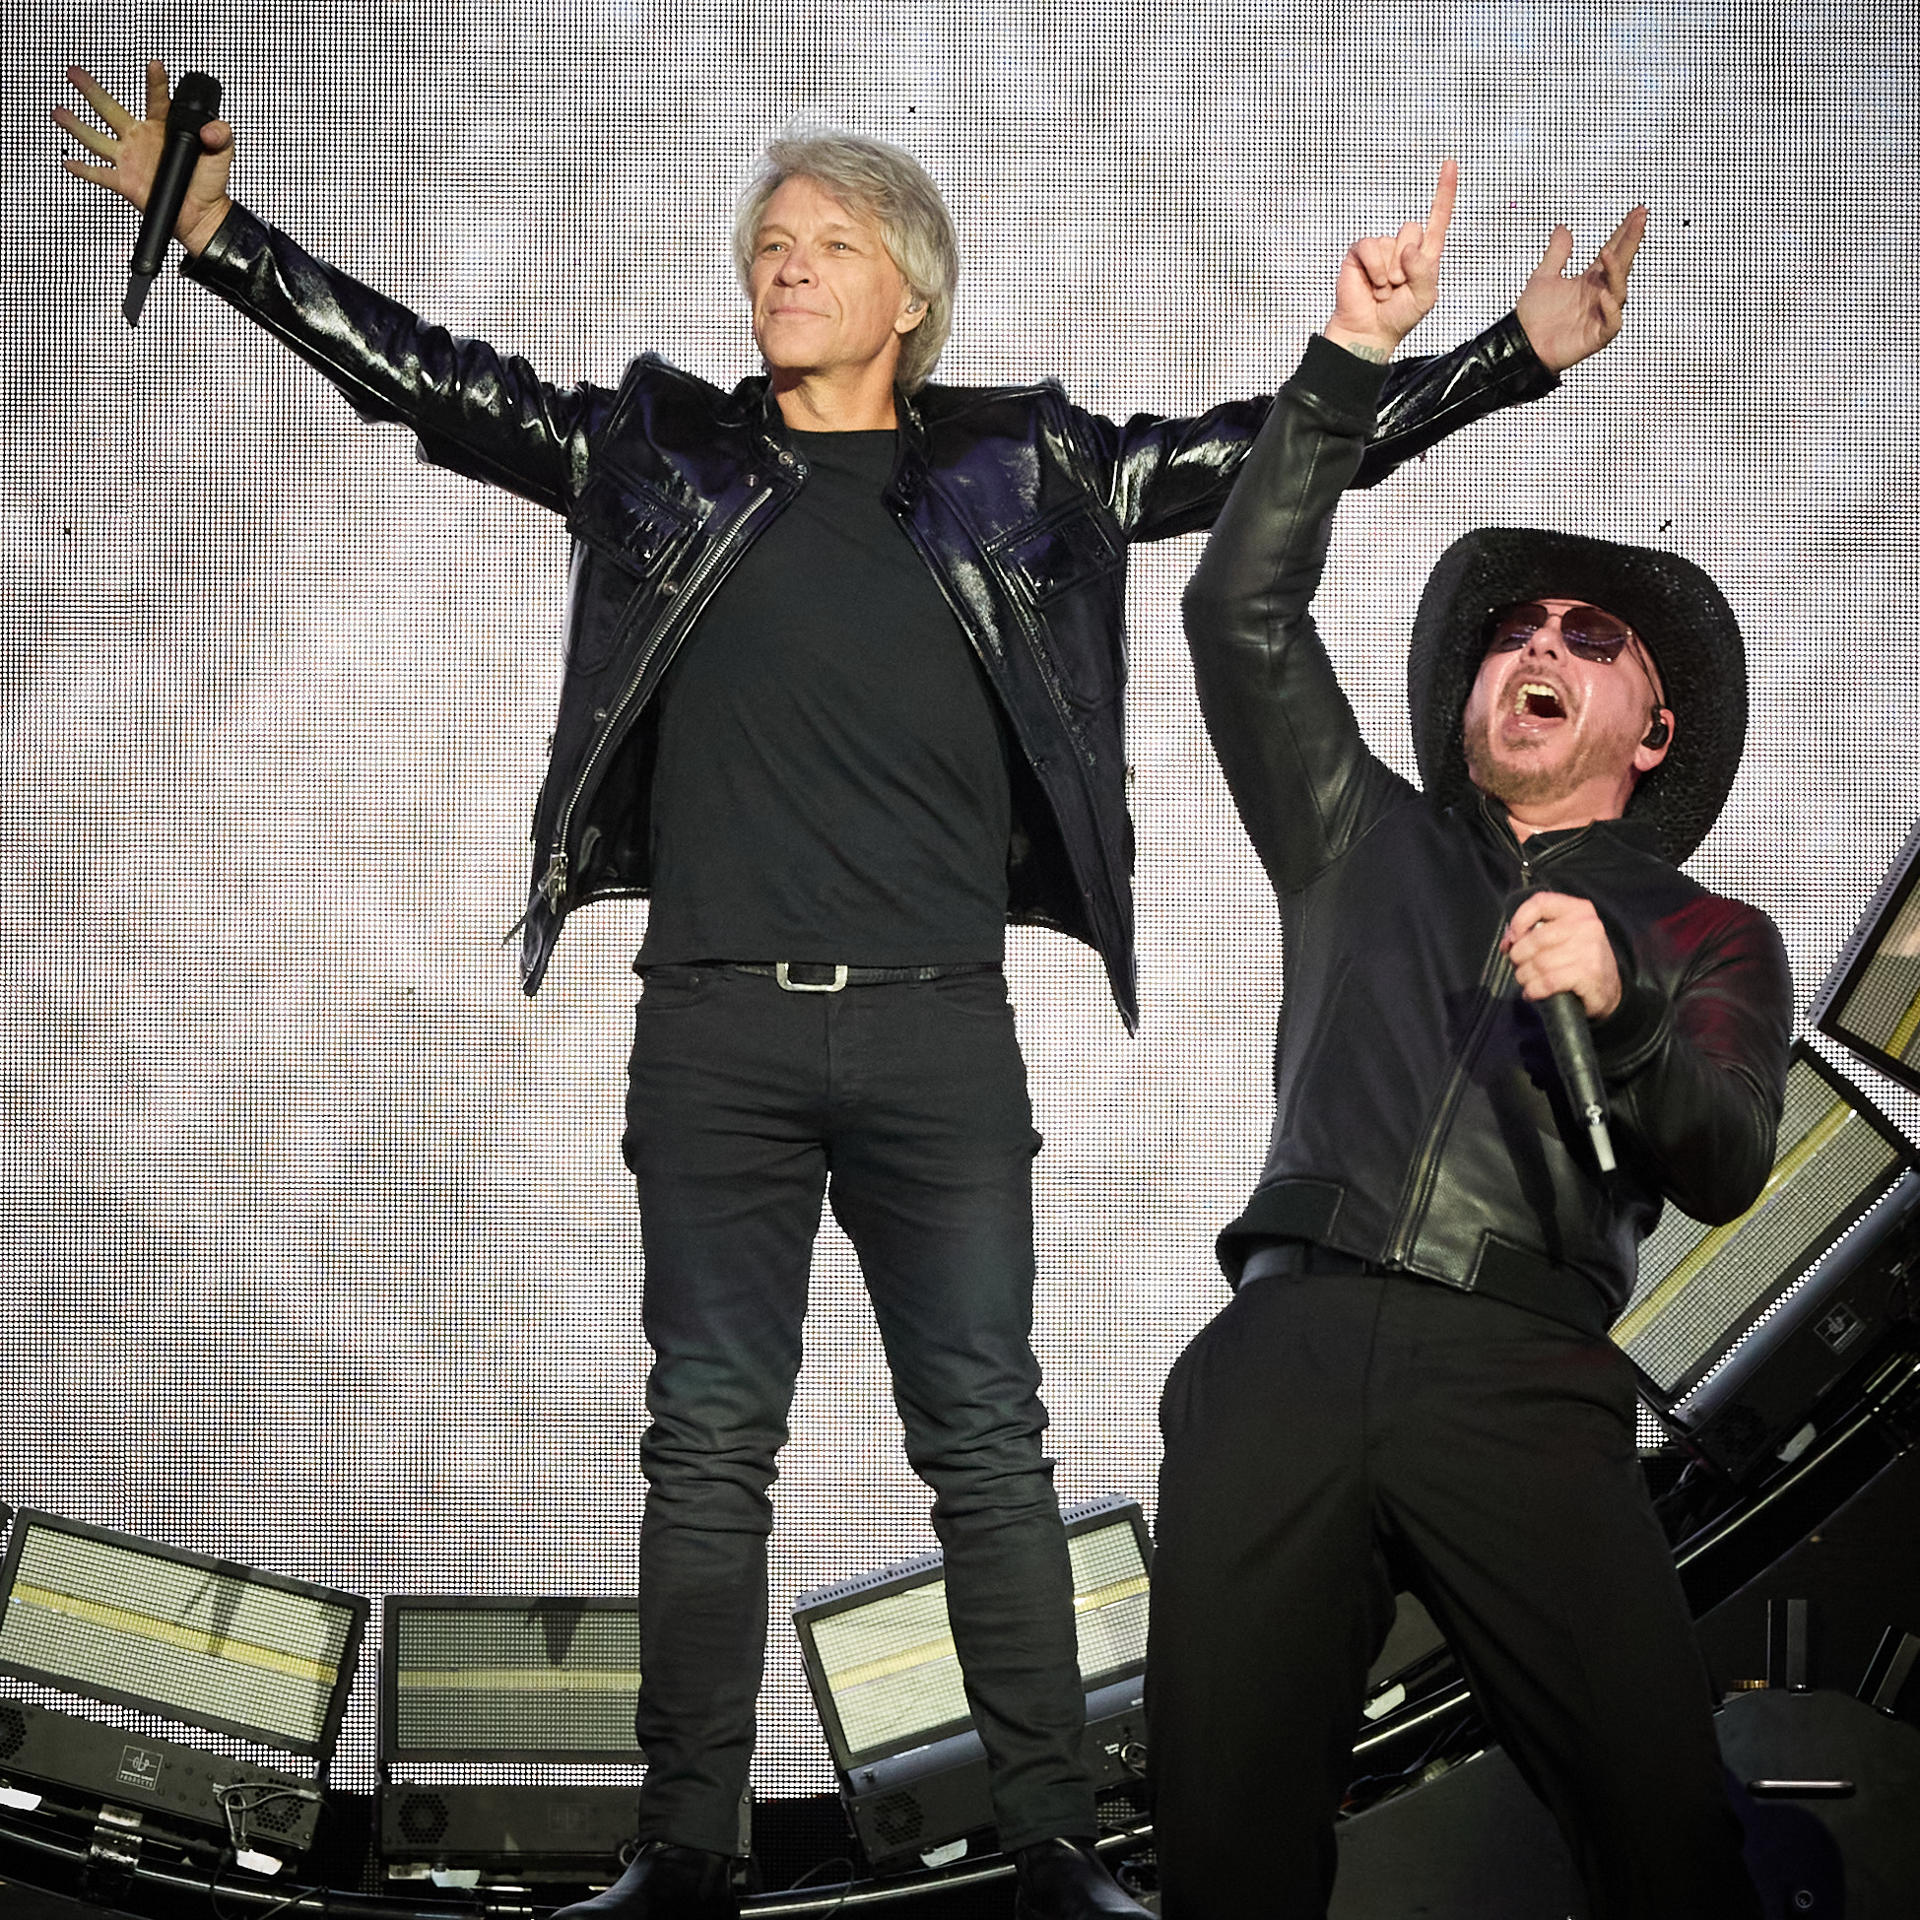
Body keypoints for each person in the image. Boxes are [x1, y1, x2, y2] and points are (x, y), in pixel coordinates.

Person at [55, 63, 1635, 1919]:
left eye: (827, 244)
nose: (783, 272)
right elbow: (432, 382)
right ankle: (682, 1854)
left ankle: (1054, 1846)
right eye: (767, 248)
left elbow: (1255, 460)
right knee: (709, 1443)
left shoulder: (1025, 469)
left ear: (912, 294)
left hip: (934, 1034)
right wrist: (224, 236)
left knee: (986, 1438)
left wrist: (1483, 360)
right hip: (715, 1028)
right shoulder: (665, 453)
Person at [1147, 160, 1793, 1918]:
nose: (1542, 643)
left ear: (1649, 730)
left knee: (1670, 1842)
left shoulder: (1713, 934)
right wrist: (1352, 358)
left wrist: (1626, 991)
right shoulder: (1367, 832)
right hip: (1287, 1340)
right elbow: (1238, 616)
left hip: (1523, 1378)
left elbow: (1731, 1153)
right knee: (1220, 1860)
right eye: (1516, 625)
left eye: (1593, 639)